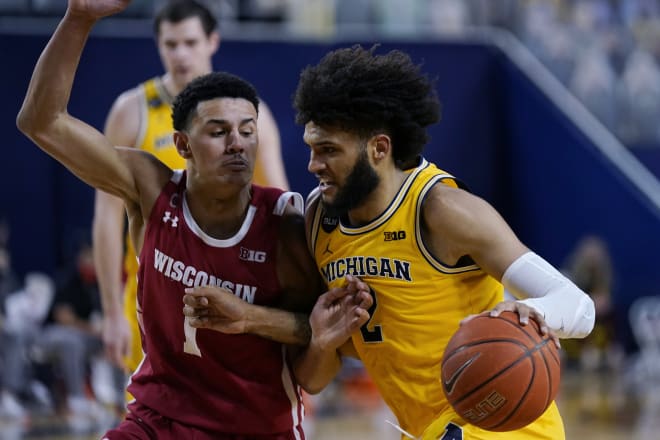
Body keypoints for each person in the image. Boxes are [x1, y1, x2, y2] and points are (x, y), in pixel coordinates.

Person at [188, 45, 597, 439]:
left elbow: (579, 308)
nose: (314, 165)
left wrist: (522, 311)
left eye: (328, 150)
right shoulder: (319, 221)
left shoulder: (442, 210)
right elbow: (318, 372)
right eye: (312, 148)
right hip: (425, 430)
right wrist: (256, 320)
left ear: (379, 148)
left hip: (503, 429)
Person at [16, 1, 370, 438]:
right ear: (182, 144)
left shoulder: (287, 228)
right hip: (156, 420)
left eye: (247, 131)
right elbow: (41, 121)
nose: (237, 144)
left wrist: (251, 318)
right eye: (219, 132)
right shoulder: (151, 187)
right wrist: (78, 19)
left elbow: (315, 356)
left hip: (254, 427)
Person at [93, 0, 290, 378]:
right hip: (152, 289)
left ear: (212, 41)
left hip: (230, 290)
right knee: (152, 414)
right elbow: (106, 219)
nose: (181, 54)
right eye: (170, 44)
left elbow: (281, 210)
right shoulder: (131, 111)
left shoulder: (249, 116)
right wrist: (111, 311)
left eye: (190, 42)